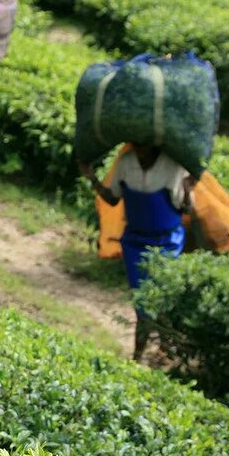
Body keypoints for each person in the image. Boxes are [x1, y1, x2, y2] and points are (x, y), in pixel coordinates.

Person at [80, 143, 198, 360]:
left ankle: (164, 350)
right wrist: (93, 179)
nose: (140, 149)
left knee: (161, 297)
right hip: (135, 242)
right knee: (142, 302)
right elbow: (113, 197)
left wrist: (188, 191)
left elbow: (187, 208)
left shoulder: (172, 168)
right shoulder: (126, 163)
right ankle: (141, 354)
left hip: (166, 243)